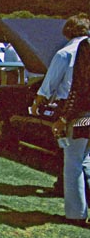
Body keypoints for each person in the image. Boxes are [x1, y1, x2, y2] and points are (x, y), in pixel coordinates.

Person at [31, 14, 90, 226]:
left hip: (76, 111)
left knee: (72, 161)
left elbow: (53, 85)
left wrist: (41, 103)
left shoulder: (66, 53)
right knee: (85, 158)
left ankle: (76, 213)